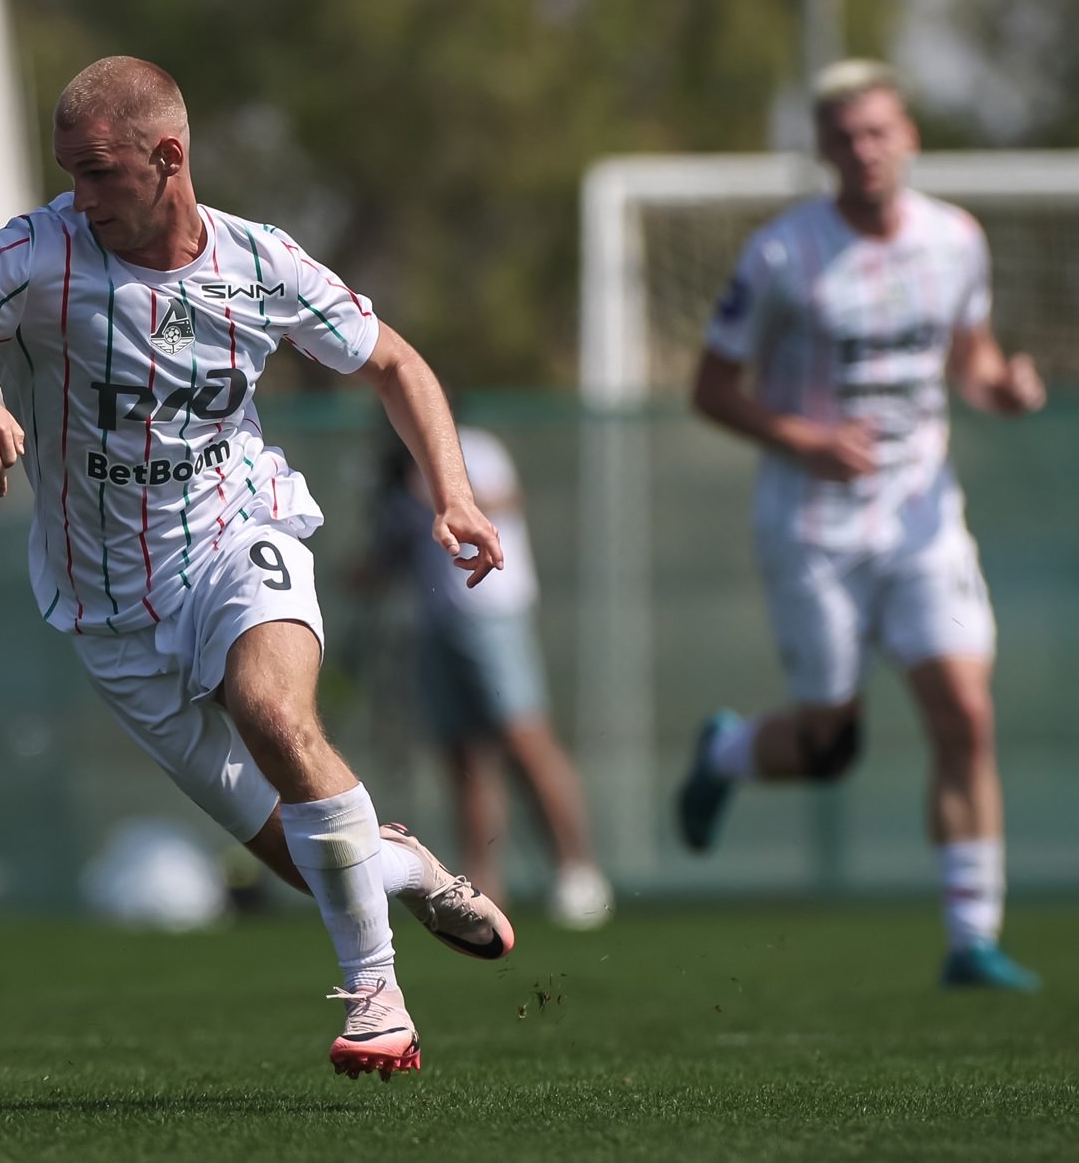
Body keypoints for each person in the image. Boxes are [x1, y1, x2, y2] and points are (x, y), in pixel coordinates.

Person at [0, 55, 517, 1079]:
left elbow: (394, 362)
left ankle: (378, 997)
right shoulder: (36, 253)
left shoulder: (260, 261)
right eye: (68, 173)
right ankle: (404, 864)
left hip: (239, 534)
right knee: (309, 860)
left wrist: (452, 493)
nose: (80, 197)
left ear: (167, 156)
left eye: (98, 172)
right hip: (106, 606)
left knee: (273, 712)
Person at [675, 59, 1046, 991]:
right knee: (830, 746)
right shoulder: (781, 255)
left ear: (909, 137)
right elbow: (710, 389)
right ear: (825, 151)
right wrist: (806, 438)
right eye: (845, 137)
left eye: (879, 132)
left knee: (966, 714)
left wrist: (1002, 387)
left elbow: (972, 358)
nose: (865, 150)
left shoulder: (955, 241)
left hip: (924, 523)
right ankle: (727, 751)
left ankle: (972, 941)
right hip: (813, 531)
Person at [366, 429, 612, 930]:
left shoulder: (472, 448)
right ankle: (482, 886)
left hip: (491, 614)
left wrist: (433, 494)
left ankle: (578, 871)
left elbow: (505, 501)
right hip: (436, 624)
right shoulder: (396, 469)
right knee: (463, 754)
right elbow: (388, 557)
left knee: (526, 741)